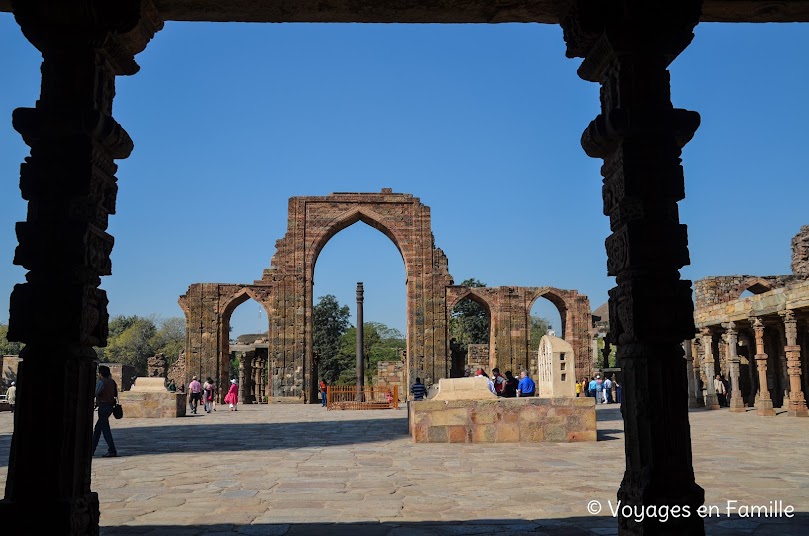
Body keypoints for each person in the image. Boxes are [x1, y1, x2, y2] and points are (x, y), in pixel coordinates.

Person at [92, 365, 118, 458]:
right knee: (98, 429)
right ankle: (92, 449)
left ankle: (112, 450)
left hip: (103, 406)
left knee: (105, 429)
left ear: (100, 373)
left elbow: (96, 393)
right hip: (110, 406)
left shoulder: (101, 382)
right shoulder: (112, 382)